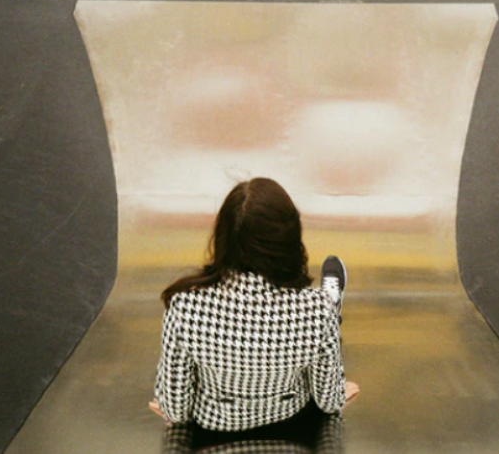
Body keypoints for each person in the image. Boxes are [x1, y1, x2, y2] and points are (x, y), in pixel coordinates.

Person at [149, 177, 359, 448]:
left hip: (213, 432)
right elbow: (329, 403)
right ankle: (333, 305)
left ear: (222, 236)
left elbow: (175, 411)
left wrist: (168, 400)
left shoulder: (185, 306)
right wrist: (338, 392)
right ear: (289, 237)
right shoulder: (316, 310)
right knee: (323, 319)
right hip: (292, 426)